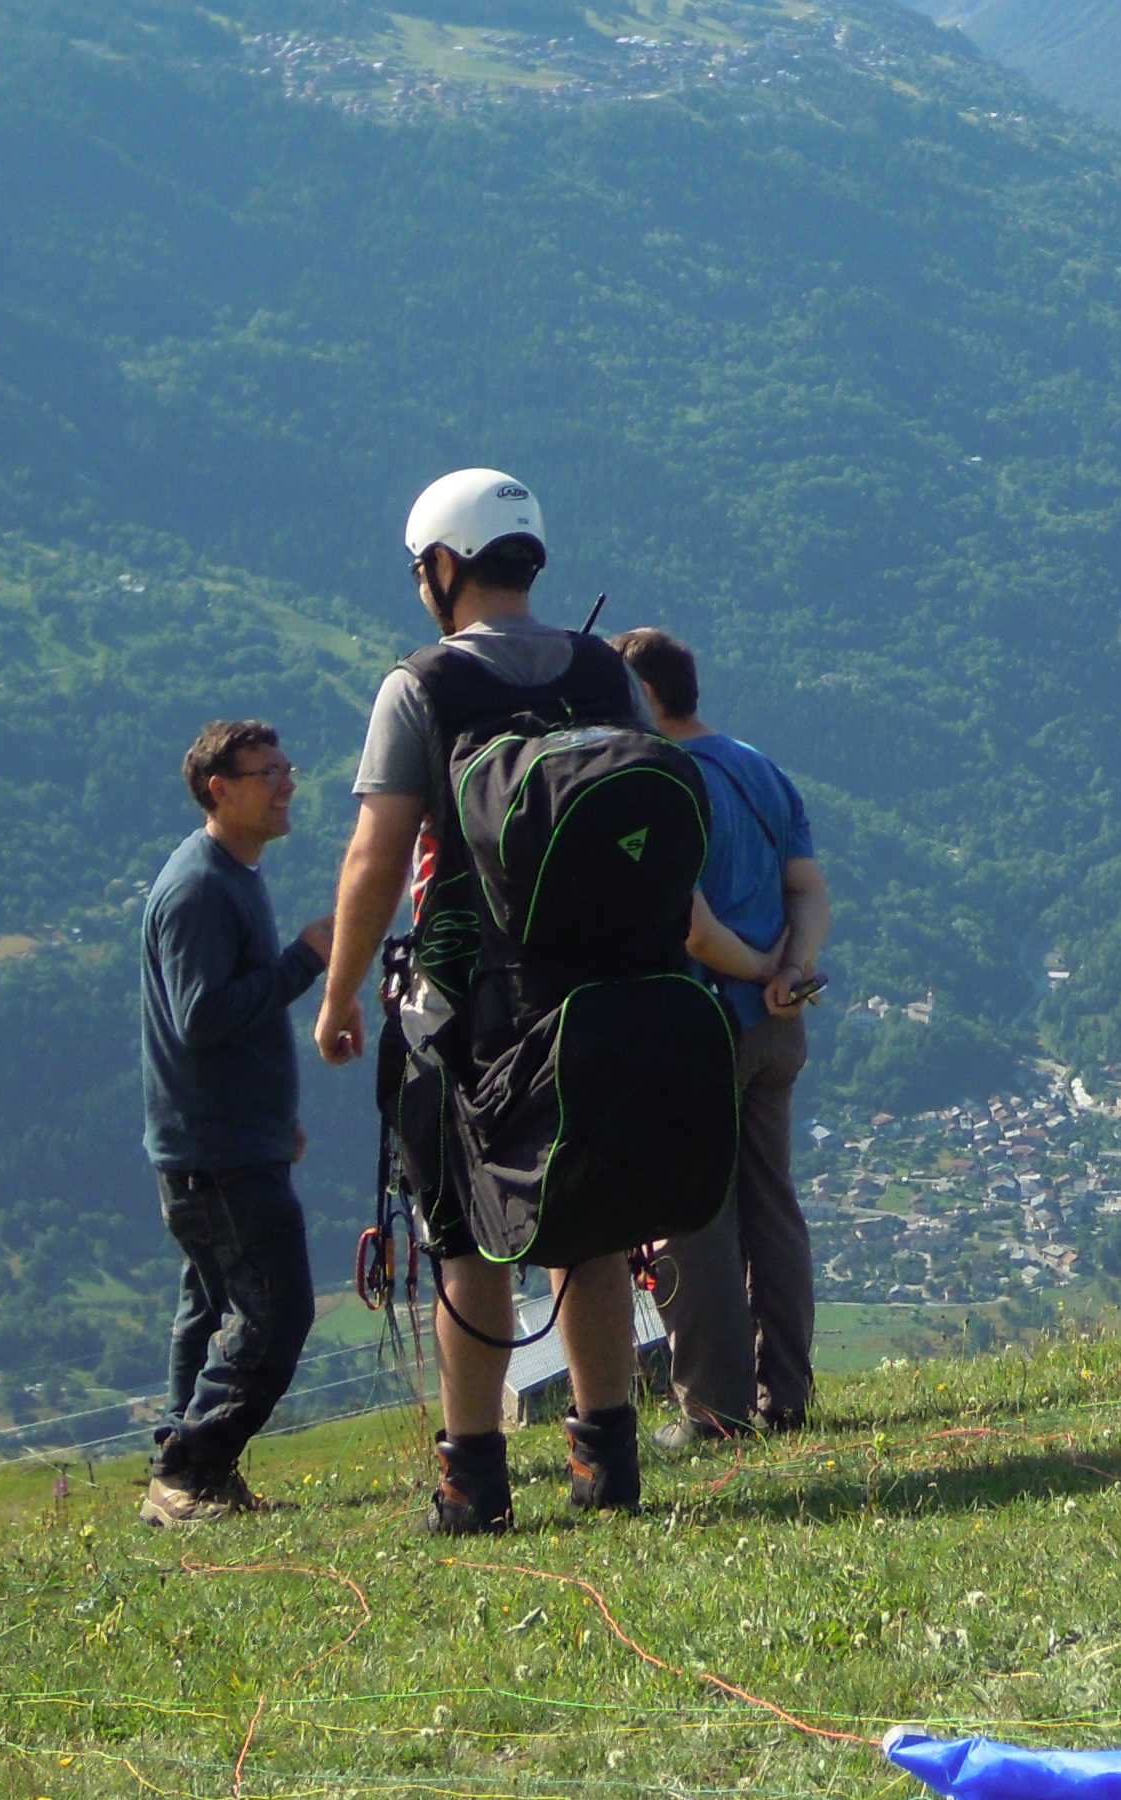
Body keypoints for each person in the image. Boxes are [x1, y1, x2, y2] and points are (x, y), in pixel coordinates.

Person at [312, 469, 770, 1529]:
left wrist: (339, 997)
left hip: (468, 1004)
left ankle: (472, 1480)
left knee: (464, 1239)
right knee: (590, 1224)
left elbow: (376, 856)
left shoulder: (421, 687)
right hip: (605, 990)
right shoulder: (604, 673)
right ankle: (607, 1462)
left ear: (443, 566)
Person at [621, 625, 829, 1441]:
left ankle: (714, 1409)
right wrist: (790, 969)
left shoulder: (664, 784)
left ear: (643, 697)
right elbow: (808, 889)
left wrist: (755, 971)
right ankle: (789, 1392)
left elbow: (696, 931)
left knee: (693, 1215)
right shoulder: (757, 766)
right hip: (778, 1029)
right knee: (771, 1203)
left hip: (703, 1027)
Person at [137, 719, 336, 1526]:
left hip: (223, 1140)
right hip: (216, 1153)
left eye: (286, 768)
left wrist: (272, 1118)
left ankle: (185, 1473)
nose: (287, 784)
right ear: (219, 790)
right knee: (274, 1313)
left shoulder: (231, 874)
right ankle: (190, 1468)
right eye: (267, 773)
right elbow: (201, 1016)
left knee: (212, 1309)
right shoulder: (200, 889)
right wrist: (304, 962)